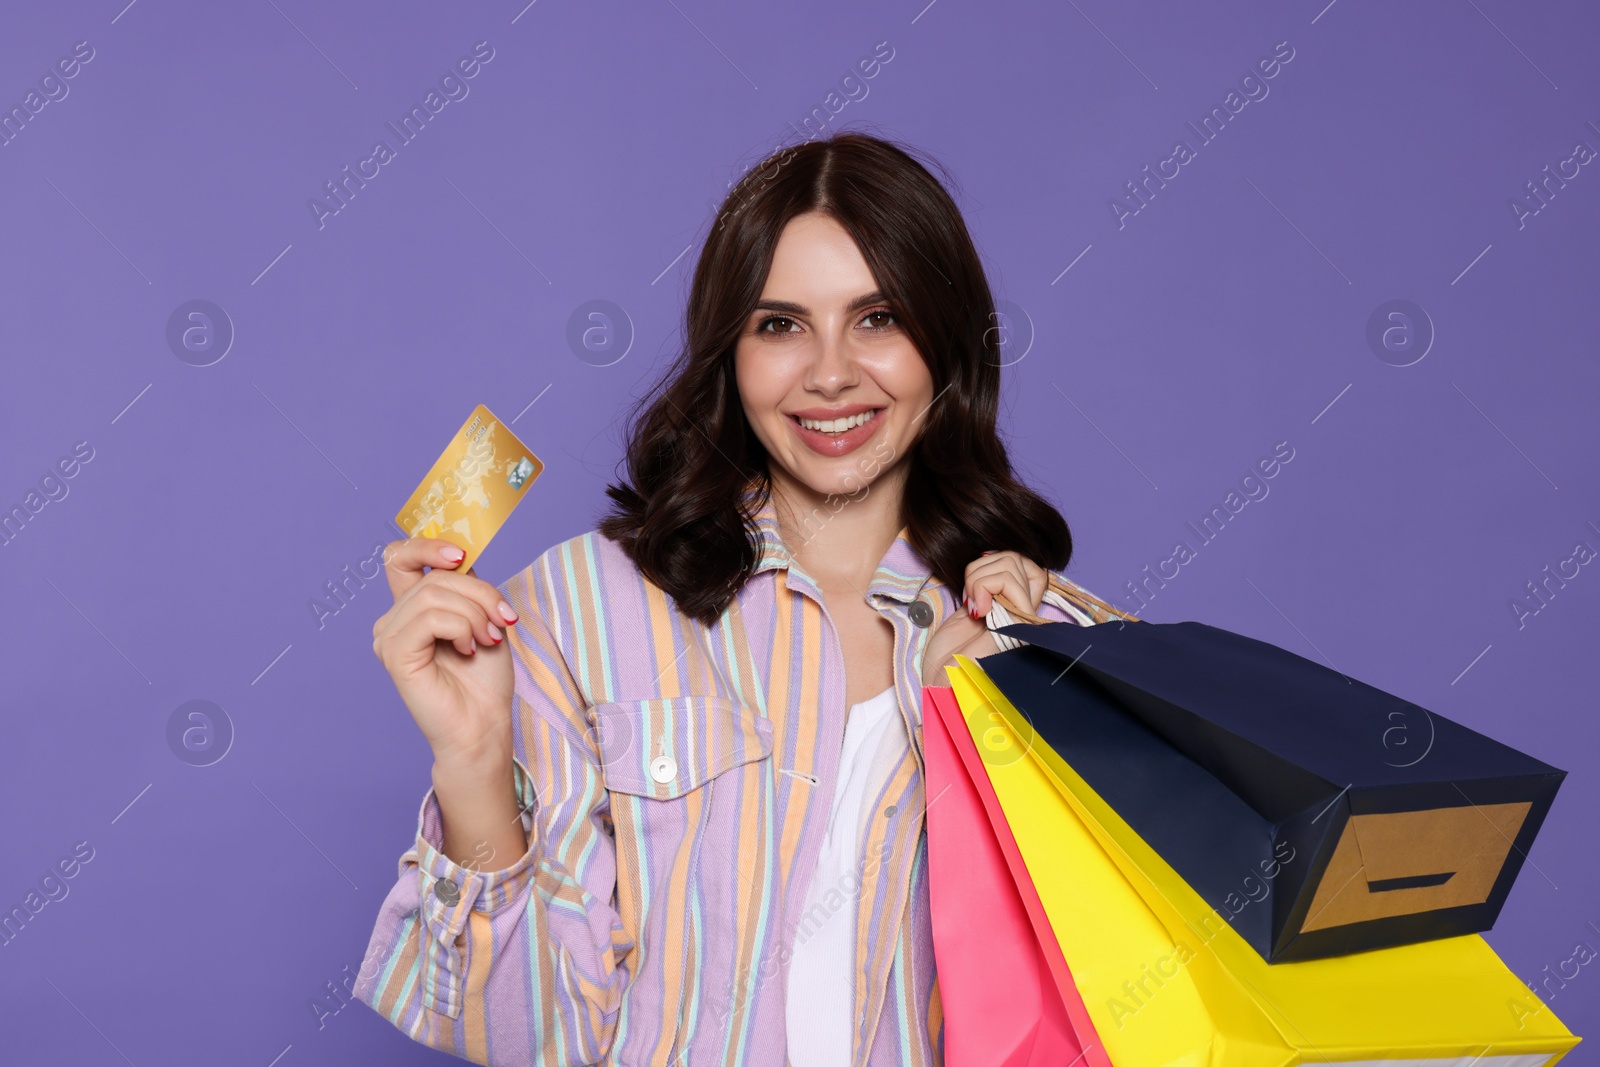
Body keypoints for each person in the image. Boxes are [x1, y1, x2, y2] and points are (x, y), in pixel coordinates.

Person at [354, 130, 1122, 1065]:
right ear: (730, 353)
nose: (831, 372)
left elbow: (1129, 1001)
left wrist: (1015, 714)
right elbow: (529, 1035)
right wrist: (473, 762)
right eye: (781, 324)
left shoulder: (1046, 634)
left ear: (946, 341)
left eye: (878, 317)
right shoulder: (574, 610)